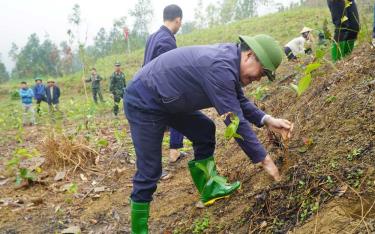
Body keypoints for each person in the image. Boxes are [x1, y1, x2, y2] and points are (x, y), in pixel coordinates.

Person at [125, 34, 293, 233]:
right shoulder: (220, 67)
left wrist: (268, 120)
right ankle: (138, 230)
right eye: (262, 72)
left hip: (168, 99)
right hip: (144, 101)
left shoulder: (230, 62)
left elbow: (239, 101)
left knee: (204, 129)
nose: (258, 79)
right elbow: (234, 120)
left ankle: (209, 188)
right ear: (249, 55)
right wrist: (265, 160)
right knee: (150, 169)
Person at [143, 4, 186, 172]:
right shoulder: (167, 40)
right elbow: (168, 71)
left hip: (147, 87)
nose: (180, 26)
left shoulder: (152, 37)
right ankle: (174, 152)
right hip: (159, 89)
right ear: (178, 19)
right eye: (180, 22)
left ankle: (166, 156)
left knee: (156, 125)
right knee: (179, 110)